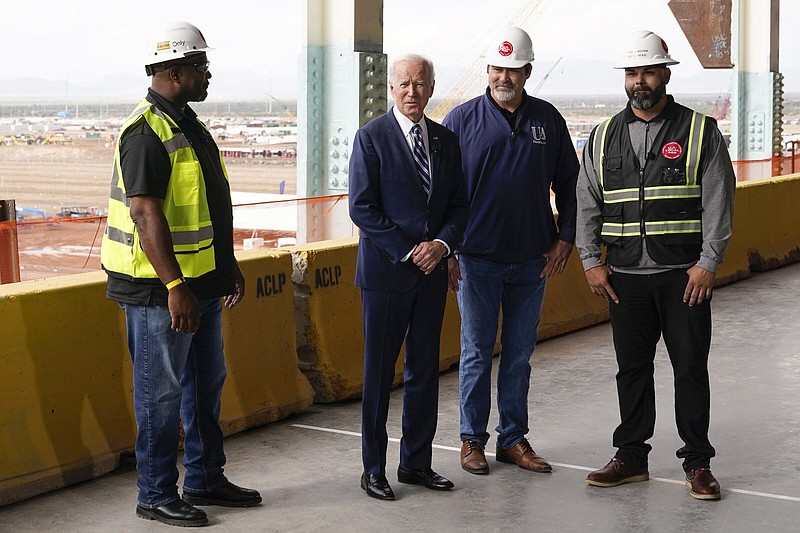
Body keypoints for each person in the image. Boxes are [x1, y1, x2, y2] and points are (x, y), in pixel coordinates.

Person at [100, 21, 261, 526]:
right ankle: (155, 494)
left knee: (205, 383)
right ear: (174, 71)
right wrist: (175, 287)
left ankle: (205, 477)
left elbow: (206, 206)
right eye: (201, 66)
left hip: (203, 283)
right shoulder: (146, 132)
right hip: (158, 292)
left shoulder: (188, 123)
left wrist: (226, 264)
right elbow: (146, 214)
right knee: (161, 395)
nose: (208, 74)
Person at [576, 30, 735, 501]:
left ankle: (698, 463)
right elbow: (587, 202)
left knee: (689, 369)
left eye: (647, 71)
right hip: (624, 276)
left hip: (683, 276)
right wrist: (590, 261)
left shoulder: (699, 131)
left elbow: (719, 202)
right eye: (631, 73)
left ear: (665, 74)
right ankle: (630, 457)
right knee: (632, 370)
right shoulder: (602, 137)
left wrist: (708, 263)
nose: (639, 81)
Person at [443, 27, 579, 476]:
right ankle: (471, 440)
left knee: (519, 354)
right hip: (475, 260)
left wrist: (566, 237)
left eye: (514, 69)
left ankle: (513, 440)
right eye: (498, 68)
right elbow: (441, 192)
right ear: (487, 70)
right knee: (477, 352)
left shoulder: (548, 120)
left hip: (532, 261)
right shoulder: (461, 121)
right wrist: (448, 250)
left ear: (527, 72)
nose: (505, 77)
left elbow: (570, 185)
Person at [349, 54, 469, 501]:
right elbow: (362, 208)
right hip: (385, 276)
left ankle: (416, 464)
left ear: (432, 87)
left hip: (433, 274)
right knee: (379, 375)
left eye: (421, 83)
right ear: (391, 89)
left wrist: (441, 246)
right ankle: (373, 470)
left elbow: (460, 205)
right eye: (404, 83)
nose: (412, 91)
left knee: (424, 373)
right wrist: (408, 249)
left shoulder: (445, 140)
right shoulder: (371, 139)